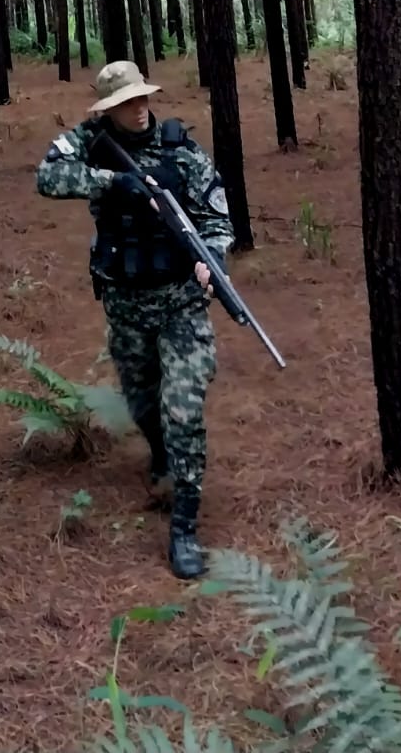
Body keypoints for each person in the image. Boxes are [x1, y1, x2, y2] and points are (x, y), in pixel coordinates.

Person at [35, 60, 234, 579]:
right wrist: (111, 182)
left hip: (181, 303)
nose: (140, 109)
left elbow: (217, 218)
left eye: (143, 98)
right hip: (125, 304)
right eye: (127, 103)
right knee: (144, 403)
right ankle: (162, 456)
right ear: (107, 110)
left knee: (183, 409)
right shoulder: (90, 141)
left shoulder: (180, 151)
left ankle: (184, 525)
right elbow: (48, 176)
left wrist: (210, 258)